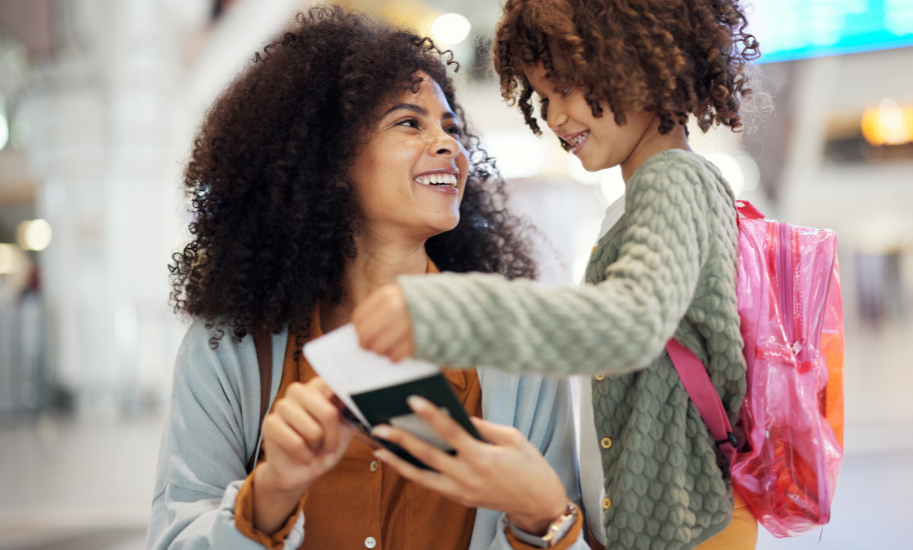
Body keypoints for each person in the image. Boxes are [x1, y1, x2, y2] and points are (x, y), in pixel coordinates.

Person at [149, 7, 591, 550]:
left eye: (451, 127)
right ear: (329, 160)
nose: (449, 144)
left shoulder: (517, 350)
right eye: (410, 122)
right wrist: (271, 493)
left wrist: (542, 518)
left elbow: (559, 524)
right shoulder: (229, 348)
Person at [352, 1, 767, 549]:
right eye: (543, 96)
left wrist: (446, 310)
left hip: (690, 533)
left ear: (637, 64)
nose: (553, 116)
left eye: (565, 88)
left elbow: (629, 323)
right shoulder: (643, 193)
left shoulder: (676, 180)